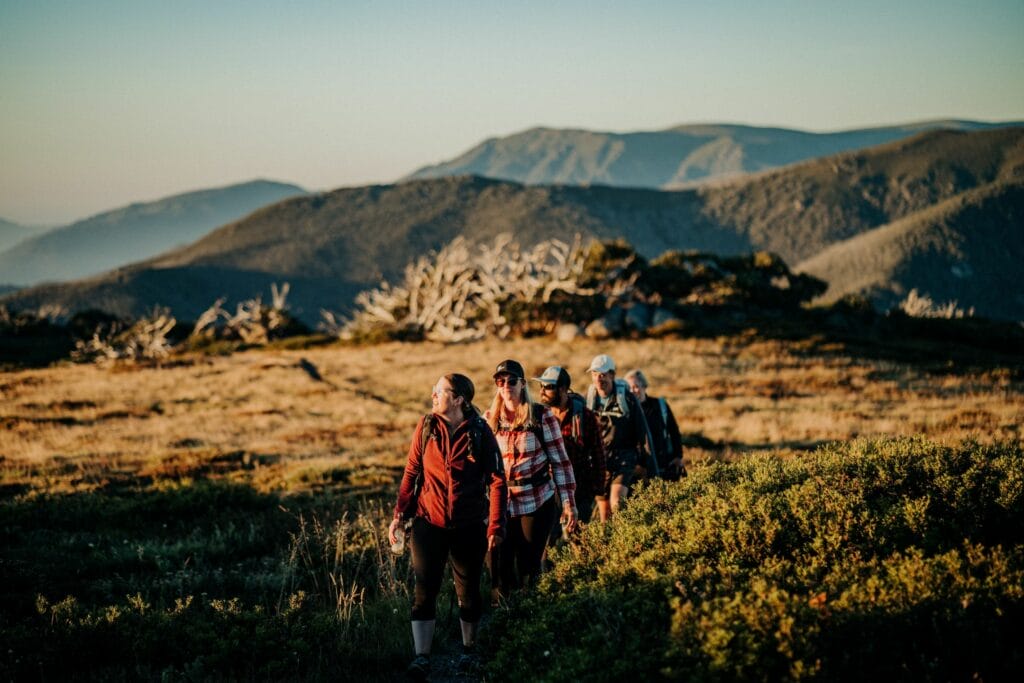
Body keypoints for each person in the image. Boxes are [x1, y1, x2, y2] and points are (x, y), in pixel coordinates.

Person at [389, 373, 507, 680]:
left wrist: (495, 525)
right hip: (429, 523)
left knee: (467, 592)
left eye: (439, 391)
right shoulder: (426, 426)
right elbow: (411, 473)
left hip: (469, 526)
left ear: (458, 399)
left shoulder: (480, 431)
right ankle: (422, 658)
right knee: (423, 591)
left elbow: (497, 481)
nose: (433, 395)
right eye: (433, 390)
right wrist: (399, 515)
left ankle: (469, 651)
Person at [485, 359, 577, 598]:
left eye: (512, 381)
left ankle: (533, 615)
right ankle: (504, 616)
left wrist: (568, 503)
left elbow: (560, 462)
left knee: (529, 566)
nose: (506, 385)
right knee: (499, 567)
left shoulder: (541, 417)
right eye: (500, 381)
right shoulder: (489, 421)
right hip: (501, 502)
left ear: (522, 384)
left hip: (535, 500)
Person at [585, 354, 656, 521]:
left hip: (625, 457)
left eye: (602, 375)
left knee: (617, 502)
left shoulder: (627, 398)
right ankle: (607, 545)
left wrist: (651, 467)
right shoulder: (590, 399)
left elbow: (643, 432)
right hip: (600, 461)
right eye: (595, 374)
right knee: (604, 513)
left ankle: (622, 541)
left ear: (612, 375)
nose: (598, 379)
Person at [533, 365, 606, 527]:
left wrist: (598, 489)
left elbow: (598, 453)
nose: (542, 391)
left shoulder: (585, 416)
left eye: (549, 387)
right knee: (548, 540)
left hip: (580, 487)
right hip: (548, 488)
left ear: (563, 389)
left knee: (579, 539)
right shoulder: (539, 417)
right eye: (541, 386)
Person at [625, 369, 687, 481]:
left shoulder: (659, 405)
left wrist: (678, 456)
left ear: (644, 386)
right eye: (629, 388)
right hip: (639, 472)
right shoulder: (626, 412)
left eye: (636, 386)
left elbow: (674, 431)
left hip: (665, 467)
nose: (632, 391)